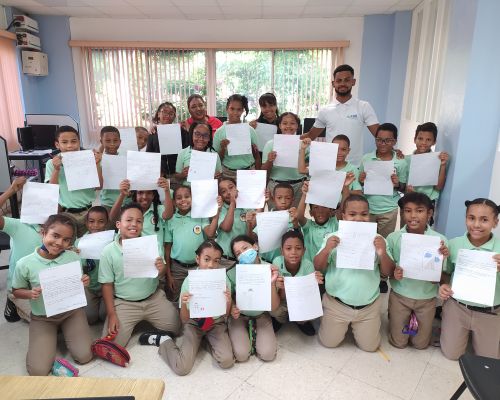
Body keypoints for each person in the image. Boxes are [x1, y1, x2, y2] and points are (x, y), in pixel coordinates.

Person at [11, 214, 93, 375]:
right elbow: (16, 291)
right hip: (43, 317)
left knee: (85, 356)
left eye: (66, 240)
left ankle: (65, 332)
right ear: (43, 233)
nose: (59, 243)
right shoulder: (25, 264)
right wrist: (29, 293)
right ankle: (50, 340)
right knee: (38, 371)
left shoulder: (73, 257)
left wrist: (84, 281)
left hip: (71, 312)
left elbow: (77, 282)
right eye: (55, 236)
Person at [314, 194, 395, 351]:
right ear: (343, 216)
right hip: (337, 304)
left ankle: (361, 325)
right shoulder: (332, 238)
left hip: (368, 306)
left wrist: (382, 253)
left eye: (364, 214)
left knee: (371, 347)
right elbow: (318, 266)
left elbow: (387, 272)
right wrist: (327, 249)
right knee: (328, 343)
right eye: (352, 214)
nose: (358, 218)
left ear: (369, 216)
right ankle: (334, 321)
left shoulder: (378, 239)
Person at [140, 240, 234, 376]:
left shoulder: (223, 280)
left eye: (216, 261)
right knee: (182, 368)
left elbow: (225, 314)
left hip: (216, 323)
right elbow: (184, 319)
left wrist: (228, 300)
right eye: (206, 259)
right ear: (198, 259)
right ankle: (164, 341)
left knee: (227, 361)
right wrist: (184, 303)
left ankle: (206, 341)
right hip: (194, 323)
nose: (211, 265)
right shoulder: (189, 281)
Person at [98, 203, 181, 347]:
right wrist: (111, 314)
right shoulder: (108, 251)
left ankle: (150, 336)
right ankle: (125, 322)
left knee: (177, 328)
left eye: (139, 221)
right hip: (124, 302)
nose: (134, 224)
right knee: (112, 345)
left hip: (152, 298)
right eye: (129, 220)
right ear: (118, 224)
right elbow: (107, 285)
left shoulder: (151, 244)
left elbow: (160, 273)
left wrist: (161, 268)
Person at [439, 198, 500, 360]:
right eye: (471, 218)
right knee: (451, 354)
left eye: (484, 220)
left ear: (495, 222)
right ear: (466, 219)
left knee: (489, 359)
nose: (477, 225)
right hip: (458, 307)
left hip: (491, 312)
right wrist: (444, 285)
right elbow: (447, 274)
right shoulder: (454, 244)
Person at [386, 193, 449, 349]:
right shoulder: (394, 238)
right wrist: (394, 271)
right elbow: (387, 269)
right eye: (408, 210)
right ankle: (396, 318)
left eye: (419, 211)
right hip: (400, 296)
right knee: (398, 343)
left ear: (429, 213)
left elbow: (442, 277)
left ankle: (416, 324)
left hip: (427, 298)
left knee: (420, 344)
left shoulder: (439, 240)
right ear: (402, 213)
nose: (413, 215)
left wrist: (440, 260)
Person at [301, 64, 379, 165]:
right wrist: (286, 140)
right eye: (339, 80)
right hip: (330, 165)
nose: (342, 83)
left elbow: (379, 135)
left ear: (353, 82)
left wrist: (394, 151)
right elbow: (311, 135)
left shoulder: (363, 106)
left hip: (354, 167)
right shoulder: (325, 111)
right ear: (333, 83)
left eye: (347, 80)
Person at [227, 235, 280, 362]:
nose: (243, 254)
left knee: (268, 355)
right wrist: (232, 308)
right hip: (240, 316)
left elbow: (274, 307)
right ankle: (244, 332)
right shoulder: (232, 273)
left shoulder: (271, 269)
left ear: (255, 246)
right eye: (238, 253)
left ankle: (255, 333)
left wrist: (271, 282)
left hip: (261, 315)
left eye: (245, 248)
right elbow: (230, 297)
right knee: (241, 355)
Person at [164, 185, 222, 301]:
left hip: (199, 267)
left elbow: (210, 233)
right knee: (178, 298)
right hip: (177, 269)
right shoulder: (171, 220)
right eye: (179, 198)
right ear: (174, 202)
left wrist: (216, 215)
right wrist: (169, 275)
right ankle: (182, 319)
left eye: (187, 196)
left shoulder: (199, 216)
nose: (183, 200)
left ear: (193, 198)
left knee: (198, 298)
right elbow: (167, 248)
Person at [45, 125, 102, 237]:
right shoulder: (52, 163)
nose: (70, 146)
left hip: (88, 211)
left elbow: (98, 186)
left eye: (74, 141)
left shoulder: (89, 159)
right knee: (68, 243)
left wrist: (97, 165)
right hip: (66, 213)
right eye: (65, 142)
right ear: (57, 144)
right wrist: (56, 169)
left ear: (79, 142)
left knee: (87, 243)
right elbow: (51, 191)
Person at [1, 177, 41, 322]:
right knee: (40, 319)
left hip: (44, 284)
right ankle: (13, 300)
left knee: (58, 316)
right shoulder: (18, 225)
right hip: (21, 287)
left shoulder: (56, 228)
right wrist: (11, 190)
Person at [359, 123, 408, 238]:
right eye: (379, 140)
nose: (382, 144)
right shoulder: (366, 158)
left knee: (384, 242)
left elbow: (404, 188)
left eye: (387, 140)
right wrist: (361, 180)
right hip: (368, 208)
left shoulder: (401, 162)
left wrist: (397, 184)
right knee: (366, 240)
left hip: (389, 210)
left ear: (394, 142)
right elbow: (359, 183)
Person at [272, 230, 324, 335]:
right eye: (288, 248)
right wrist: (280, 286)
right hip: (283, 299)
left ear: (304, 250)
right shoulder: (277, 262)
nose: (293, 252)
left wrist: (315, 283)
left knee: (310, 313)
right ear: (281, 251)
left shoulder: (308, 265)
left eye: (298, 248)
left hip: (301, 299)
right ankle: (280, 320)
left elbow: (310, 296)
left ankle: (301, 322)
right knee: (275, 311)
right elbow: (280, 297)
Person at [110, 178, 173, 258]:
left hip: (153, 257)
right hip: (131, 255)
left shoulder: (158, 209)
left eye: (149, 193)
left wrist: (166, 191)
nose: (144, 196)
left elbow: (168, 215)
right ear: (135, 195)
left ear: (153, 195)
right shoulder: (128, 210)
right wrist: (122, 195)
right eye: (140, 193)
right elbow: (113, 217)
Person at [75, 206, 110, 324]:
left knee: (105, 315)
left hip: (108, 285)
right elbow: (77, 270)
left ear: (107, 223)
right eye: (91, 221)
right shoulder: (79, 242)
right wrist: (74, 255)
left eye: (101, 222)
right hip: (90, 287)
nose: (95, 225)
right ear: (86, 223)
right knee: (90, 318)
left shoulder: (112, 240)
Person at [261, 112, 306, 207]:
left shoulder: (304, 145)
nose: (288, 126)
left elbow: (311, 167)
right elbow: (263, 171)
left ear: (297, 126)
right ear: (279, 126)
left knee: (294, 217)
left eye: (292, 123)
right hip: (275, 186)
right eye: (285, 123)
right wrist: (270, 160)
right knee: (276, 218)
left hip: (298, 186)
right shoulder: (270, 144)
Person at [212, 94, 261, 180]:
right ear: (227, 109)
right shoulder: (219, 132)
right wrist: (223, 149)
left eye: (239, 109)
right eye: (232, 109)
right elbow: (216, 160)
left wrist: (254, 151)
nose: (235, 112)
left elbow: (257, 156)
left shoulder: (250, 130)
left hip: (248, 172)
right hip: (228, 173)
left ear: (243, 111)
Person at [250, 182, 299, 263]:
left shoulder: (295, 219)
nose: (283, 201)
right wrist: (249, 224)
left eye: (287, 198)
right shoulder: (266, 217)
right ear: (273, 199)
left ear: (293, 199)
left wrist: (295, 223)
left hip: (286, 264)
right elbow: (253, 237)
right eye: (279, 197)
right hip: (266, 261)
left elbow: (299, 240)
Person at [295, 181, 339, 263]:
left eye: (324, 207)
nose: (320, 211)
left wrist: (345, 188)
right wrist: (305, 194)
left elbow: (343, 209)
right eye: (316, 207)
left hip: (329, 269)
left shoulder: (334, 223)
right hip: (311, 269)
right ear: (311, 213)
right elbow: (299, 216)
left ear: (331, 211)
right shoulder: (309, 227)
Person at [405, 122, 449, 204]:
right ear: (414, 139)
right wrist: (407, 190)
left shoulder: (438, 159)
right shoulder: (405, 160)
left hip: (428, 202)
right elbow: (400, 184)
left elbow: (439, 187)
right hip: (409, 200)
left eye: (428, 140)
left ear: (434, 142)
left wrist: (443, 165)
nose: (423, 143)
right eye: (420, 138)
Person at [147, 101, 190, 182]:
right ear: (158, 114)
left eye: (171, 113)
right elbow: (149, 154)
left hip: (179, 175)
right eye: (164, 112)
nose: (167, 115)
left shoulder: (181, 131)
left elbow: (187, 150)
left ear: (174, 116)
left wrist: (188, 131)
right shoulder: (153, 133)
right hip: (160, 176)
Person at [217, 177, 254, 268]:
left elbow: (249, 238)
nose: (229, 192)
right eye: (224, 191)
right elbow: (226, 228)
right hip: (225, 260)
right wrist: (233, 202)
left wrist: (263, 201)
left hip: (245, 258)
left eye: (231, 187)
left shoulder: (246, 207)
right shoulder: (220, 209)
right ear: (220, 195)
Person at [174, 122, 222, 187]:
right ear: (192, 135)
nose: (201, 138)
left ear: (209, 138)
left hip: (207, 190)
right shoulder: (183, 153)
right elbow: (177, 177)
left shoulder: (214, 155)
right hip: (188, 191)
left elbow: (219, 180)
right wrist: (183, 174)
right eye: (197, 134)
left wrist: (218, 177)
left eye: (205, 135)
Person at [99, 126, 124, 212]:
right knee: (109, 225)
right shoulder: (99, 160)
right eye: (108, 141)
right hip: (108, 203)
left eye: (115, 141)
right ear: (101, 142)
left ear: (120, 142)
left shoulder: (125, 160)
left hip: (126, 202)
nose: (112, 144)